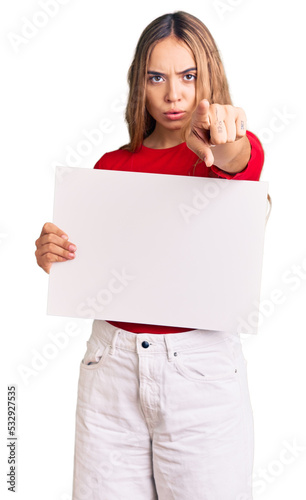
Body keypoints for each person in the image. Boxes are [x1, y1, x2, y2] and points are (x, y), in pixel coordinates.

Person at [35, 11, 264, 500]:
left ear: (209, 77)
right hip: (109, 369)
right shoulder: (110, 167)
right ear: (139, 83)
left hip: (197, 373)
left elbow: (236, 160)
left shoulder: (220, 155)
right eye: (156, 77)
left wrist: (225, 138)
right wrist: (54, 252)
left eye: (188, 76)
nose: (173, 94)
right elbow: (89, 266)